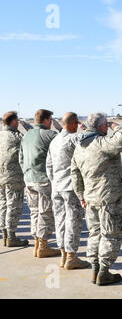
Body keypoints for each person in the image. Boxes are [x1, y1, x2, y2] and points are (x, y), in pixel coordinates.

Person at [71, 113, 122, 286]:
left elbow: (74, 174)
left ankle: (95, 269)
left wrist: (81, 196)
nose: (107, 127)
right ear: (100, 126)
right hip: (108, 198)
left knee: (95, 233)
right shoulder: (101, 143)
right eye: (105, 125)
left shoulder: (79, 146)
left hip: (90, 199)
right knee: (111, 235)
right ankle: (104, 272)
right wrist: (116, 126)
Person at [46, 112, 89, 270]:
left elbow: (49, 166)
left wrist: (54, 182)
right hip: (70, 188)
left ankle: (64, 254)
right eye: (76, 123)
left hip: (56, 186)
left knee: (60, 220)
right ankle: (71, 256)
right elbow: (89, 139)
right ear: (72, 124)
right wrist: (84, 129)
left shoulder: (54, 141)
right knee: (73, 221)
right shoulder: (73, 139)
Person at [19, 109, 62, 258]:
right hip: (43, 180)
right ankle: (43, 246)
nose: (51, 122)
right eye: (50, 120)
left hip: (29, 179)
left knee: (34, 212)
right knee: (45, 213)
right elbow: (66, 143)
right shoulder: (50, 135)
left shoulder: (26, 136)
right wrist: (60, 128)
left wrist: (27, 173)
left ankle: (37, 244)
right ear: (46, 120)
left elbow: (21, 158)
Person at [0, 111, 29, 247]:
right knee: (14, 206)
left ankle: (5, 234)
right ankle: (11, 236)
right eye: (17, 121)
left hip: (1, 177)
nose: (18, 123)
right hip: (14, 178)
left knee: (3, 204)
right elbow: (29, 143)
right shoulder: (17, 136)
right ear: (12, 122)